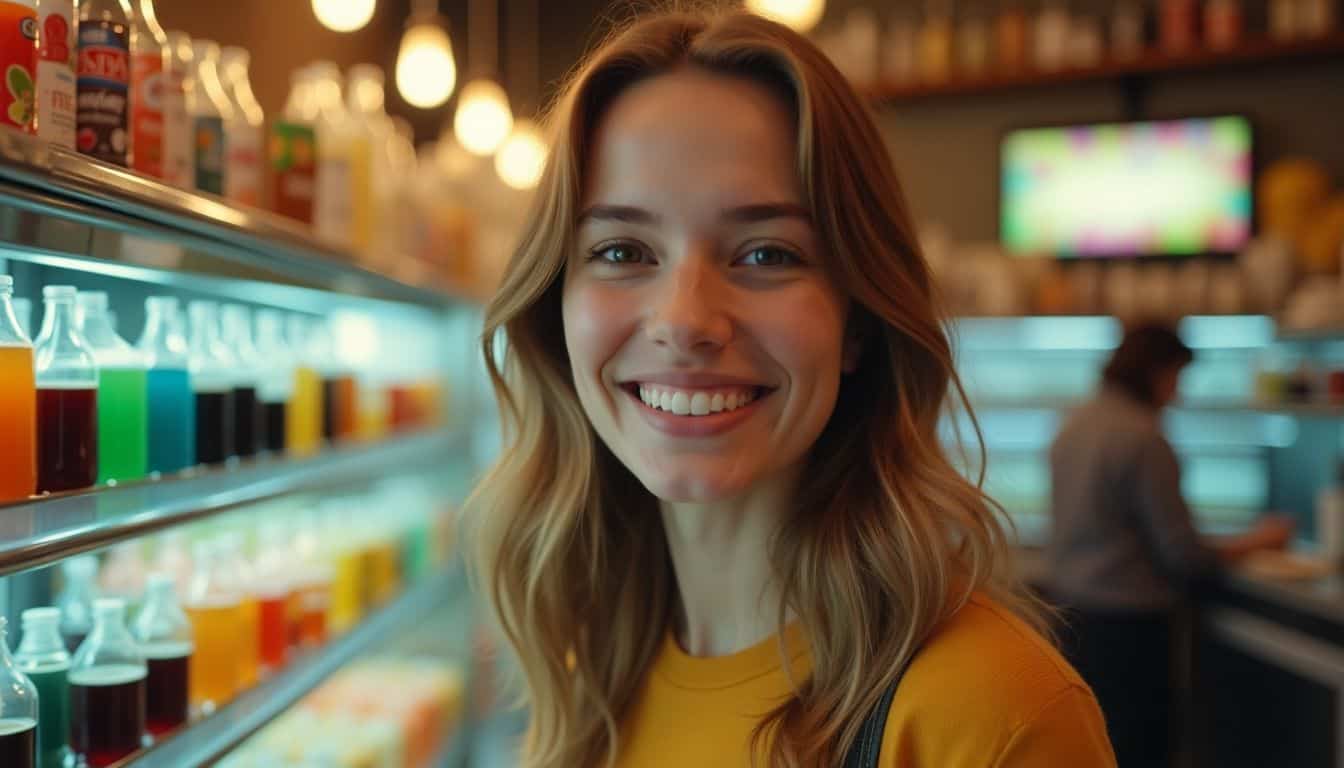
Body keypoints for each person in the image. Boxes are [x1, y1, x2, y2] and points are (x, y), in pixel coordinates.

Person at [469, 9, 1116, 767]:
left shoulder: (991, 716)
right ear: (557, 309)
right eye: (621, 249)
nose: (685, 321)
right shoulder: (593, 671)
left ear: (860, 324)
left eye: (767, 253)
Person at [1047, 324, 1293, 768]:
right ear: (1157, 372)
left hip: (1075, 612)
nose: (1177, 393)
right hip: (1131, 624)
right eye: (1177, 378)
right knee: (1141, 747)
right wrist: (1260, 541)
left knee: (1095, 746)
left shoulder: (1073, 421)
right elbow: (1184, 555)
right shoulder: (1144, 437)